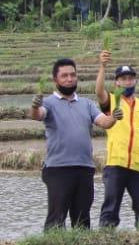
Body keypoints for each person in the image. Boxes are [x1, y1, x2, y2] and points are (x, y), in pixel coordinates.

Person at [32, 58, 120, 231]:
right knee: (56, 218)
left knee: (82, 218)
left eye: (72, 75)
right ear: (55, 80)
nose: (69, 79)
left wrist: (114, 117)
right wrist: (35, 106)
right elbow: (37, 114)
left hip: (84, 168)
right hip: (58, 169)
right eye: (64, 76)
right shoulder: (48, 102)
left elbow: (104, 122)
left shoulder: (86, 103)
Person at [94, 52, 139, 229]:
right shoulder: (112, 100)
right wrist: (103, 66)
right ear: (117, 83)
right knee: (110, 207)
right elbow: (98, 91)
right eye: (123, 79)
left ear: (135, 81)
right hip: (116, 164)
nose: (127, 82)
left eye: (130, 78)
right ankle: (106, 239)